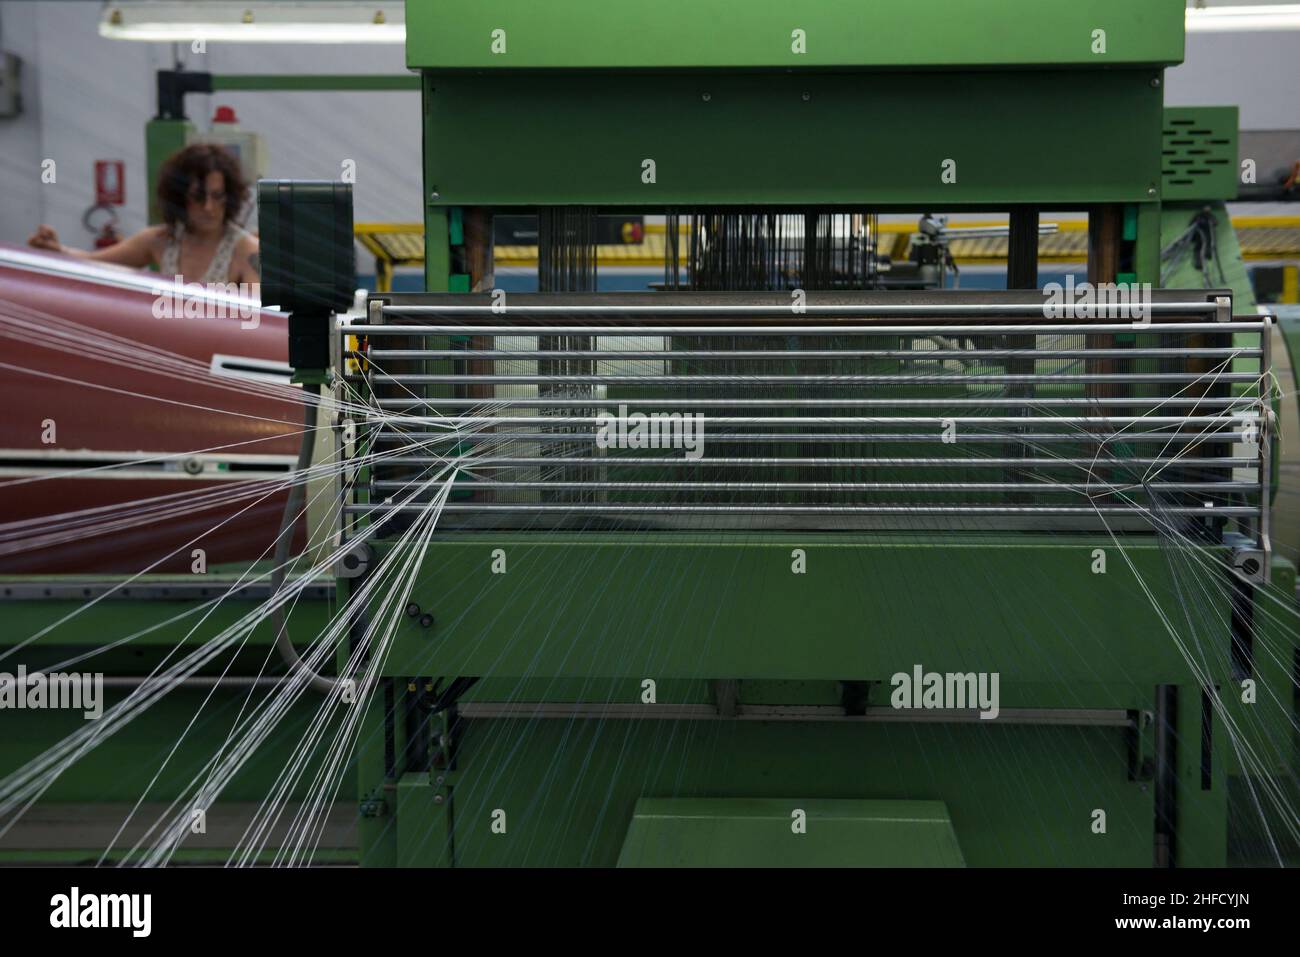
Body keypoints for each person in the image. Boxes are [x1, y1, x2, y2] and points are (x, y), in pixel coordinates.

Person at [29, 142, 259, 286]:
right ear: (179, 197)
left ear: (231, 197)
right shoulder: (159, 241)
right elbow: (94, 265)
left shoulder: (245, 250)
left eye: (217, 196)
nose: (209, 207)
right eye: (198, 197)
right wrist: (57, 252)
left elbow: (261, 319)